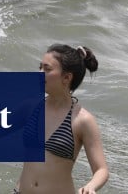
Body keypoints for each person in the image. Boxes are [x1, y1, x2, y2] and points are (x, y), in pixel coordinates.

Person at [16, 44, 109, 194]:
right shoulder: (30, 108)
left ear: (66, 77)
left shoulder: (82, 120)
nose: (40, 73)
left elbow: (101, 169)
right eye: (40, 67)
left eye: (47, 69)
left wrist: (91, 186)